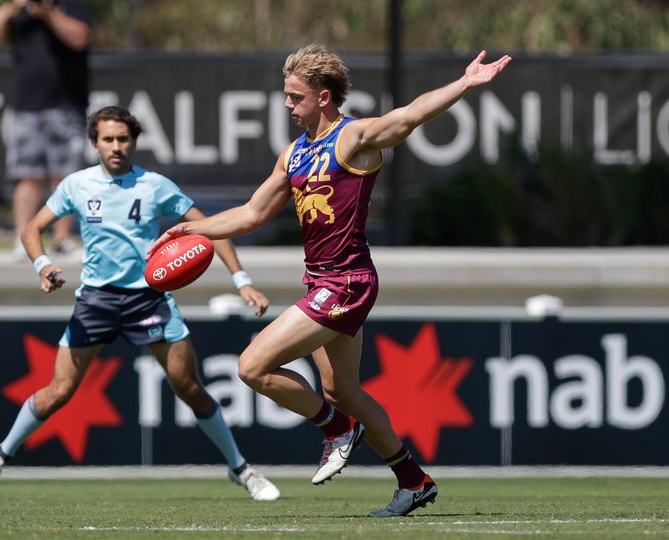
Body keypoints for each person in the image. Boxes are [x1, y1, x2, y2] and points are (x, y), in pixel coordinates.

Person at [148, 44, 512, 517]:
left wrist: (465, 83)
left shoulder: (354, 137)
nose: (286, 105)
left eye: (294, 96)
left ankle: (336, 428)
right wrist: (191, 228)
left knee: (252, 367)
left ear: (323, 97)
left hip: (348, 282)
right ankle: (413, 480)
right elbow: (252, 213)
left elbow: (410, 115)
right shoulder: (294, 155)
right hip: (321, 282)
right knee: (343, 390)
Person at [0, 106, 280, 502]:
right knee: (59, 390)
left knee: (189, 387)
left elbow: (211, 229)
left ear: (133, 142)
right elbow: (32, 229)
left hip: (147, 298)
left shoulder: (154, 186)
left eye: (123, 139)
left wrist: (242, 280)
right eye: (108, 139)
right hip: (96, 301)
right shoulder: (77, 185)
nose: (116, 147)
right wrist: (43, 264)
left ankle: (242, 469)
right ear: (94, 143)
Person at [0, 0, 91, 256]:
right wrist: (12, 6)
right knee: (28, 175)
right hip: (26, 106)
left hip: (66, 104)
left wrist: (48, 14)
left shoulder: (70, 5)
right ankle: (23, 239)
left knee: (65, 177)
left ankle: (62, 239)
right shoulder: (19, 11)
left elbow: (79, 38)